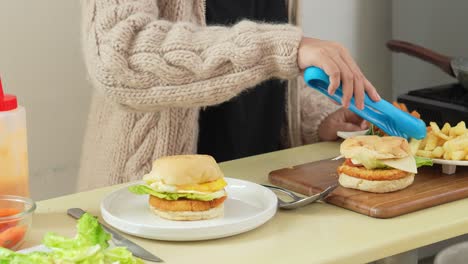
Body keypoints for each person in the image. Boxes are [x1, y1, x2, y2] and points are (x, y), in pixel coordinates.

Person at [78, 0, 381, 191]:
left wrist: (316, 117)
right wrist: (281, 48)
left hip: (257, 197)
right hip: (150, 211)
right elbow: (119, 58)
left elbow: (261, 72)